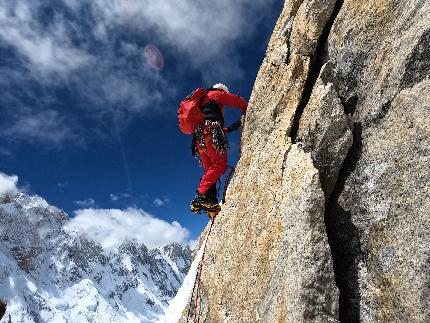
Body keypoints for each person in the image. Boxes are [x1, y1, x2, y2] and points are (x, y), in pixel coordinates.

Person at [190, 83, 247, 212]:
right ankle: (200, 196)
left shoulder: (203, 102)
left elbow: (209, 121)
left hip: (200, 141)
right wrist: (247, 107)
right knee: (220, 165)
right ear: (221, 90)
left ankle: (210, 202)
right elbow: (236, 100)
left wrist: (229, 128)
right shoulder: (215, 94)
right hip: (210, 134)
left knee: (211, 171)